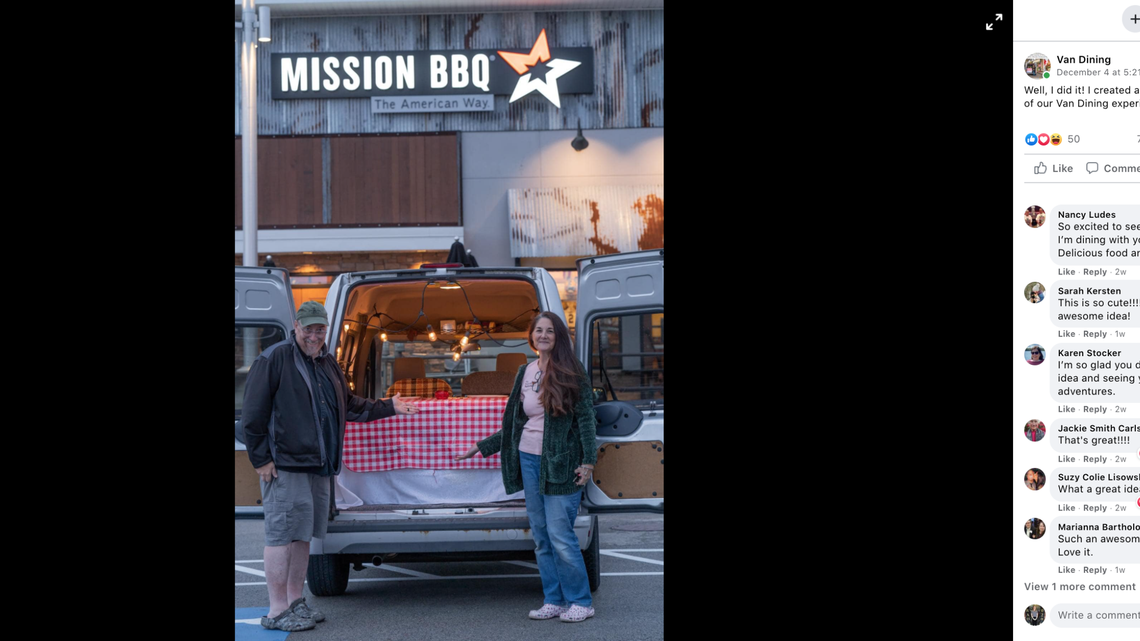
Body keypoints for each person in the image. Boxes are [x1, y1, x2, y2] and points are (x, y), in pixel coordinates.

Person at [242, 301, 420, 632]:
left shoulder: (327, 362)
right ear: (296, 326)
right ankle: (277, 610)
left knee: (303, 537)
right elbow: (251, 416)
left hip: (318, 465)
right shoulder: (274, 359)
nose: (314, 335)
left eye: (320, 329)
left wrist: (389, 406)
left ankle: (295, 601)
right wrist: (261, 459)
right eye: (308, 329)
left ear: (326, 329)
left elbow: (348, 405)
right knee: (281, 537)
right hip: (286, 466)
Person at [455, 311, 598, 623]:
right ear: (531, 336)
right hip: (528, 459)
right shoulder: (525, 370)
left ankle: (581, 601)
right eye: (538, 330)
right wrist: (482, 446)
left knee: (561, 536)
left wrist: (588, 461)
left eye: (550, 331)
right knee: (542, 537)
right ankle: (554, 600)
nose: (543, 335)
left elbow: (587, 418)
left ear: (558, 336)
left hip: (561, 463)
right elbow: (515, 424)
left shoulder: (572, 370)